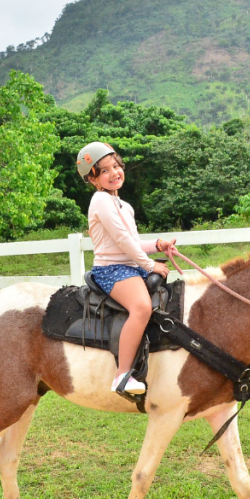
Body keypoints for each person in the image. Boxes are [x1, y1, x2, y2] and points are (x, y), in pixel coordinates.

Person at [76, 142, 177, 395]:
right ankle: (122, 375)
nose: (114, 173)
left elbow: (131, 241)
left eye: (116, 166)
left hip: (130, 267)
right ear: (93, 179)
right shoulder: (100, 200)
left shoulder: (123, 205)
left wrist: (156, 244)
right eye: (105, 171)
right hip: (113, 270)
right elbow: (122, 241)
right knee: (141, 307)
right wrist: (149, 264)